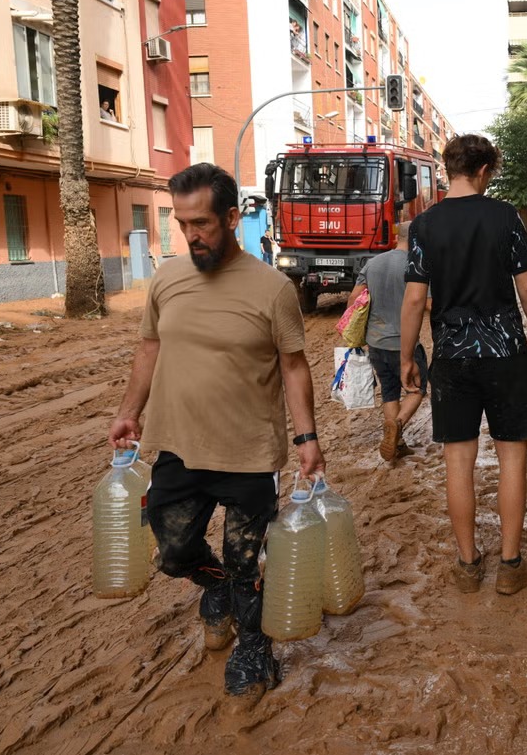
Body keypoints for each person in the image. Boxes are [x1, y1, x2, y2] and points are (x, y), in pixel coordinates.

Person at [107, 162, 325, 701]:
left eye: (201, 223)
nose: (192, 235)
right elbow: (149, 347)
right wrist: (130, 410)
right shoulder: (167, 279)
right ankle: (216, 586)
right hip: (178, 445)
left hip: (249, 452)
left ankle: (254, 648)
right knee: (174, 550)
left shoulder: (272, 289)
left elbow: (295, 366)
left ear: (231, 217)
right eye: (182, 224)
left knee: (247, 559)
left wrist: (307, 439)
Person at [400, 134, 527, 596]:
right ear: (484, 170)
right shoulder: (505, 216)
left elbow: (414, 299)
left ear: (448, 168)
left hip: (451, 357)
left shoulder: (424, 225)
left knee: (458, 463)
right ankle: (510, 566)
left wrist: (407, 357)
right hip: (505, 355)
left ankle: (467, 566)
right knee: (512, 460)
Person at [346, 222, 428, 462]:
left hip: (376, 342)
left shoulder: (373, 263)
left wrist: (357, 332)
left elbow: (354, 299)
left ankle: (396, 442)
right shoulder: (417, 265)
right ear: (416, 241)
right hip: (403, 343)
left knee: (390, 392)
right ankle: (398, 426)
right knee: (417, 388)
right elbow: (428, 303)